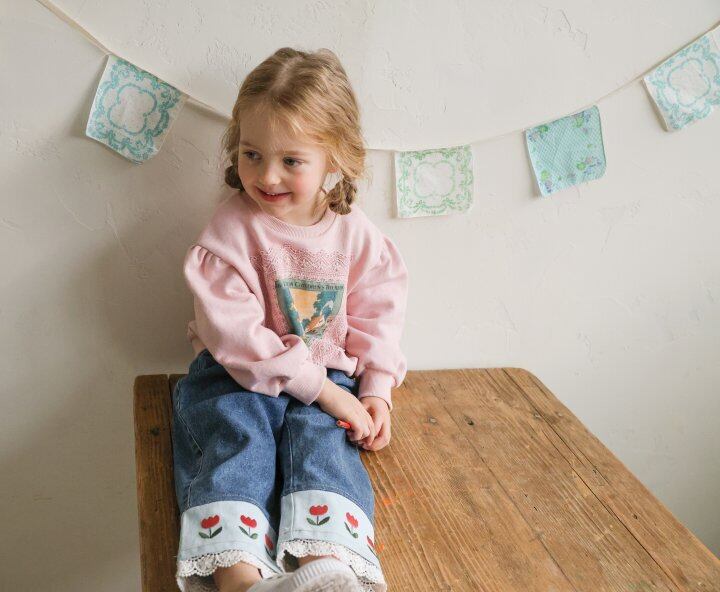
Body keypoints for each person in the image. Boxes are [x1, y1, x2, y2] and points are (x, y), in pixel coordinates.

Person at [171, 47, 409, 592]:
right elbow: (235, 336)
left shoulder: (356, 235)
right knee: (237, 442)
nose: (267, 175)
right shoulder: (230, 233)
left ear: (336, 158)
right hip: (237, 377)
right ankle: (240, 580)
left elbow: (379, 312)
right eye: (252, 154)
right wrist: (324, 391)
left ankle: (326, 568)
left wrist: (376, 389)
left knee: (326, 445)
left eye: (291, 161)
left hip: (330, 380)